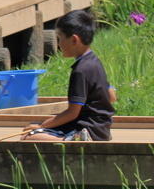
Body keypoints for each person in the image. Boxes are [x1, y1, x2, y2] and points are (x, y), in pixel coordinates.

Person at [20, 10, 115, 142]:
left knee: (29, 136)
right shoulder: (95, 62)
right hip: (102, 128)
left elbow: (72, 113)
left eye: (60, 38)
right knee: (43, 129)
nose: (58, 44)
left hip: (86, 128)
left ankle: (74, 139)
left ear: (74, 40)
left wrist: (41, 125)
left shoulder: (80, 70)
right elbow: (111, 97)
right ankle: (79, 136)